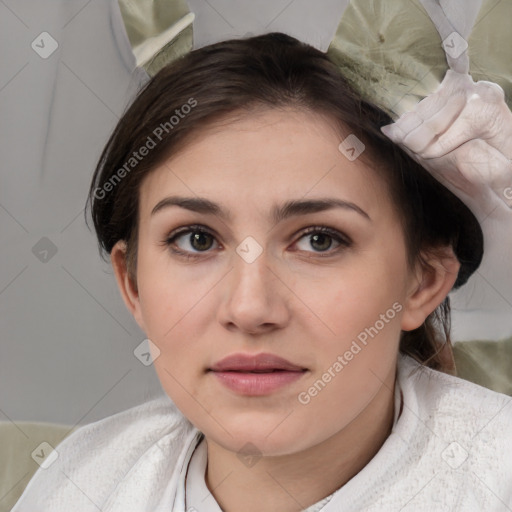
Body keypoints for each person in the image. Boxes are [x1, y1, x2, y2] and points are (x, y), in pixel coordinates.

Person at [12, 32, 512, 512]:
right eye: (197, 239)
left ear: (422, 281)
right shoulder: (80, 484)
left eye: (319, 241)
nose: (250, 309)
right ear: (133, 283)